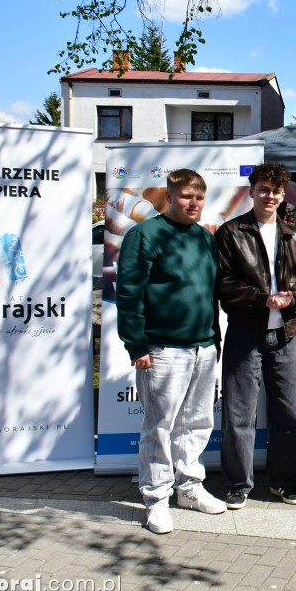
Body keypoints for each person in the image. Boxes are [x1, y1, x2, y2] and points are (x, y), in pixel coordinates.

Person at [115, 168, 226, 534]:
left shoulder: (203, 238)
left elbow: (210, 293)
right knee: (159, 427)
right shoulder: (144, 235)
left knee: (197, 423)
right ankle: (156, 498)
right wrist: (136, 343)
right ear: (169, 195)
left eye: (199, 197)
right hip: (162, 348)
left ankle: (189, 488)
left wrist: (214, 339)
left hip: (203, 347)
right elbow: (129, 293)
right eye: (185, 196)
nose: (193, 204)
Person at [215, 162, 296, 509]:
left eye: (276, 190)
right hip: (245, 335)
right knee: (238, 414)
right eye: (263, 189)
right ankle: (238, 484)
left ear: (283, 194)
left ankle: (284, 482)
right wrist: (262, 300)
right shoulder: (231, 233)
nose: (269, 196)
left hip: (286, 336)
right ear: (252, 191)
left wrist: (292, 300)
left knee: (289, 414)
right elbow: (224, 284)